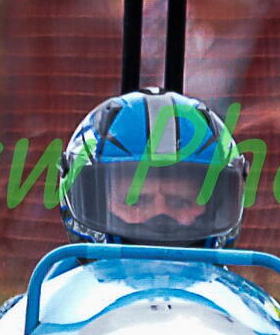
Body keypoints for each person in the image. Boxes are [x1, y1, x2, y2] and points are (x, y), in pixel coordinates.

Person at [58, 87, 248, 249]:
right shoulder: (47, 292)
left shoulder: (240, 293)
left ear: (216, 208)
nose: (159, 217)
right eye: (136, 201)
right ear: (93, 202)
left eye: (179, 202)